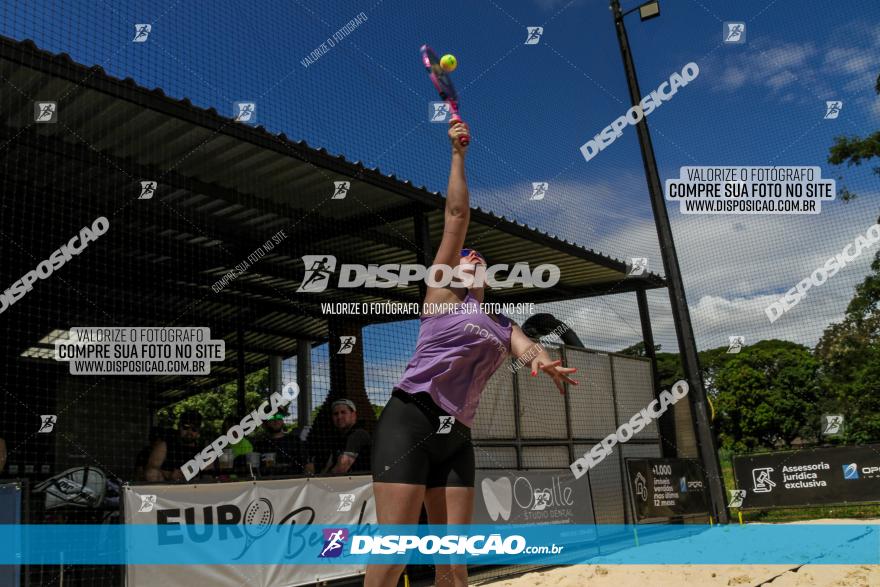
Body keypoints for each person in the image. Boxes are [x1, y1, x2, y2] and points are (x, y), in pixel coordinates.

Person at [365, 121, 578, 587]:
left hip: (456, 436)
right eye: (465, 256)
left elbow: (527, 350)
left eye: (477, 259)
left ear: (484, 277)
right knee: (395, 551)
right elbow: (457, 218)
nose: (471, 256)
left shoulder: (501, 323)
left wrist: (544, 363)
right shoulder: (439, 296)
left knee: (455, 567)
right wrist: (458, 154)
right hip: (411, 420)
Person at [313, 399, 371, 475]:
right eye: (335, 414)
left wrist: (320, 482)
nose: (339, 417)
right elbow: (329, 465)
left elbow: (341, 468)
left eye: (343, 412)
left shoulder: (358, 434)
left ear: (353, 415)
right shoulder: (338, 439)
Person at [144, 411, 205, 482]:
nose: (189, 432)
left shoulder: (202, 452)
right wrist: (169, 475)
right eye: (185, 427)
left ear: (198, 431)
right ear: (179, 427)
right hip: (167, 488)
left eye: (194, 429)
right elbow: (151, 469)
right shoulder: (166, 445)